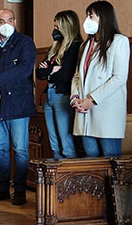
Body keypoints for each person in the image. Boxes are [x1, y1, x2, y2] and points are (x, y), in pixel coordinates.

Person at [0, 9, 36, 205]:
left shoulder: (25, 42)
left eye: (9, 20)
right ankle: (2, 188)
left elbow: (24, 69)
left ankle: (19, 191)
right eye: (1, 21)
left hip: (18, 104)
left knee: (20, 149)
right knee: (0, 148)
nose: (5, 24)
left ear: (15, 21)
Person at [71, 0, 130, 157]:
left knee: (111, 162)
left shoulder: (119, 41)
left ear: (104, 18)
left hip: (106, 111)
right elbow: (77, 75)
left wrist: (92, 100)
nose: (87, 20)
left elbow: (119, 78)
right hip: (84, 112)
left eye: (91, 16)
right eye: (87, 15)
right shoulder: (86, 45)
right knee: (92, 165)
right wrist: (75, 98)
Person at [36, 10, 82, 159]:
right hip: (49, 95)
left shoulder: (75, 46)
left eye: (58, 27)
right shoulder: (54, 48)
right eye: (54, 27)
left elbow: (66, 76)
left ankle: (70, 176)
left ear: (67, 27)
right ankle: (57, 176)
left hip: (63, 95)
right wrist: (53, 69)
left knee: (66, 140)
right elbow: (39, 73)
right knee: (54, 141)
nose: (55, 31)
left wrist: (49, 70)